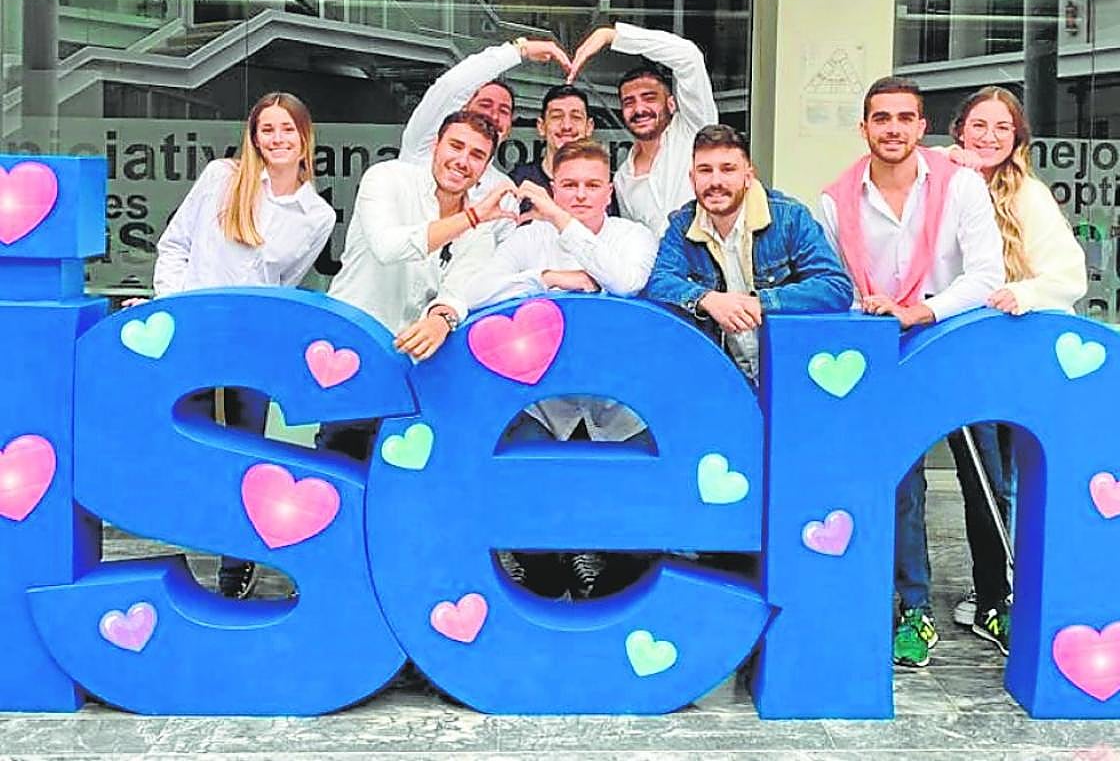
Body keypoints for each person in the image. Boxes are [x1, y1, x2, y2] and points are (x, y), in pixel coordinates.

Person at [817, 76, 1006, 668]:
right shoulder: (835, 200)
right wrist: (875, 312)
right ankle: (913, 609)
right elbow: (836, 286)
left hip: (956, 347)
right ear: (864, 128)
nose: (893, 128)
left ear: (922, 126)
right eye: (881, 118)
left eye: (904, 118)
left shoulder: (960, 184)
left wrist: (922, 311)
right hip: (886, 353)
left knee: (985, 479)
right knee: (902, 485)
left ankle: (997, 599)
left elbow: (987, 274)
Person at [152, 91, 336, 600]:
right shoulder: (222, 178)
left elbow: (284, 285)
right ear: (253, 137)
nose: (277, 139)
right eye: (266, 129)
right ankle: (196, 545)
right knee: (192, 448)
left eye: (286, 129)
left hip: (252, 348)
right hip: (194, 336)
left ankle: (237, 562)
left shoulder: (316, 215)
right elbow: (175, 246)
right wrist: (174, 310)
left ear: (305, 137)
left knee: (247, 452)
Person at [456, 139, 658, 600]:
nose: (580, 194)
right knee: (523, 498)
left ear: (609, 191)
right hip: (544, 407)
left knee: (635, 529)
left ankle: (596, 566)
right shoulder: (529, 238)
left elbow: (625, 282)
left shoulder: (634, 236)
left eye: (591, 185)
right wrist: (544, 279)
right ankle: (540, 569)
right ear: (553, 188)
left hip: (619, 411)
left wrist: (563, 223)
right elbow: (476, 292)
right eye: (569, 186)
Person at [944, 85, 1088, 630]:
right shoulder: (943, 181)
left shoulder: (1029, 194)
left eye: (1002, 127)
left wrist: (1022, 293)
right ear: (960, 131)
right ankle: (992, 594)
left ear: (1017, 138)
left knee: (1022, 478)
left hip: (1024, 352)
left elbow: (1068, 275)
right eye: (978, 125)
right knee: (981, 478)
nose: (989, 137)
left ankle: (1022, 589)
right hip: (964, 354)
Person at [322, 111, 516, 458]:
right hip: (354, 350)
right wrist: (469, 218)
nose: (463, 161)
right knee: (338, 465)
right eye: (456, 146)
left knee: (403, 475)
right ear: (435, 145)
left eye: (477, 155)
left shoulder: (481, 229)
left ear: (485, 167)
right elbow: (388, 247)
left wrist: (441, 318)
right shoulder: (387, 178)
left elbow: (460, 289)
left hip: (414, 368)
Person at [642, 124, 853, 385]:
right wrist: (707, 299)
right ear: (692, 178)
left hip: (792, 372)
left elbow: (835, 287)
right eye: (705, 170)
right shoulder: (682, 224)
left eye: (728, 169)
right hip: (724, 377)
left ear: (748, 176)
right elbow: (659, 282)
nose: (716, 181)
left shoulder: (789, 217)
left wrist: (760, 302)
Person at [568, 23, 719, 236]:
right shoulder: (622, 178)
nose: (639, 109)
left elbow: (688, 56)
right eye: (629, 102)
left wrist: (611, 36)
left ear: (671, 104)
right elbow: (635, 241)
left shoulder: (694, 132)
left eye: (649, 98)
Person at [400, 36, 571, 206]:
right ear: (463, 109)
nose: (493, 116)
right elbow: (450, 86)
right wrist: (519, 50)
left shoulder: (503, 192)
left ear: (509, 126)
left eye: (504, 111)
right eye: (485, 105)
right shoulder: (424, 148)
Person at [507, 85, 595, 193]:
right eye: (556, 117)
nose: (566, 126)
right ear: (541, 126)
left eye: (576, 117)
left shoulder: (602, 182)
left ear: (589, 127)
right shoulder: (518, 181)